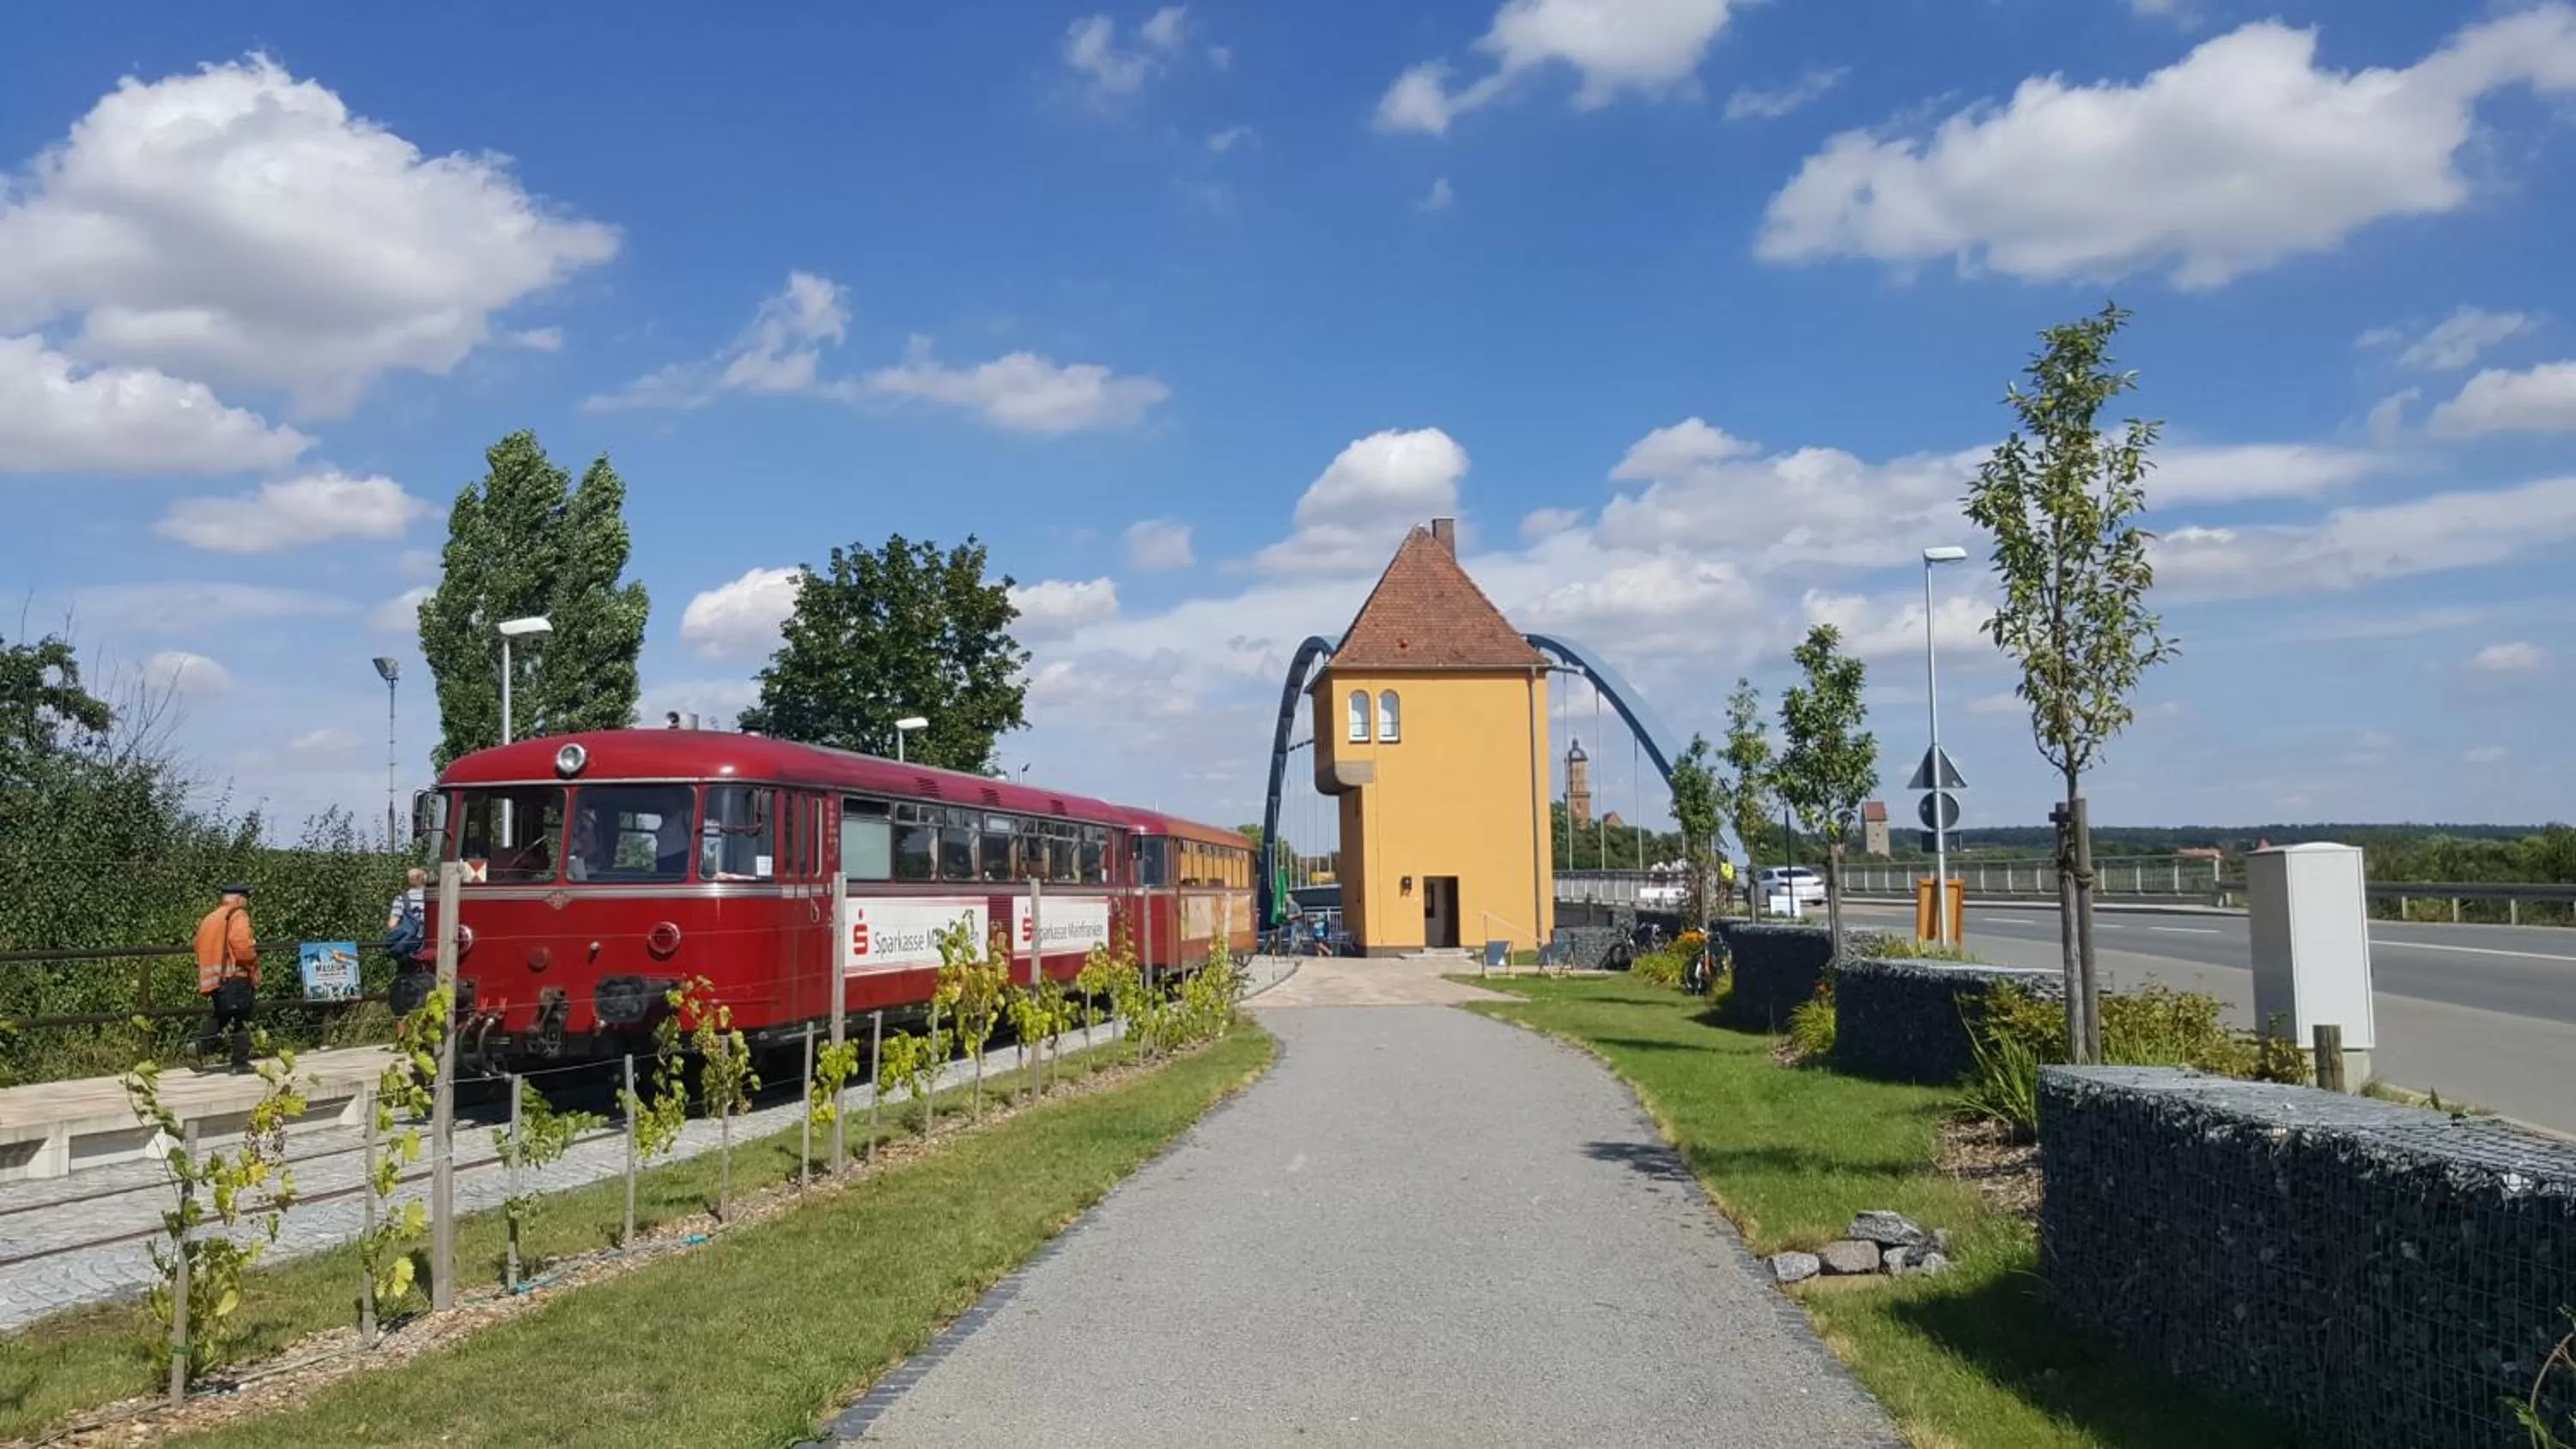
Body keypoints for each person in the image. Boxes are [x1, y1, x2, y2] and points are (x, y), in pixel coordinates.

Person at [194, 883, 260, 1073]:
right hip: (235, 974)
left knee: (222, 1014)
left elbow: (197, 945)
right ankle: (239, 1062)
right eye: (246, 898)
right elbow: (240, 944)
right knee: (243, 1017)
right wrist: (252, 960)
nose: (247, 903)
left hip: (215, 978)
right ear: (238, 899)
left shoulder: (210, 918)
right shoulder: (237, 915)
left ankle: (199, 1045)